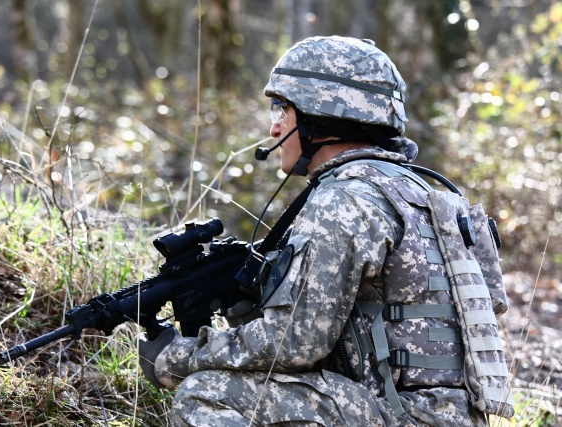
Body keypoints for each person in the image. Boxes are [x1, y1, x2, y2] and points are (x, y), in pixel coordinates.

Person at [138, 36, 512, 426]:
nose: (273, 126)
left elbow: (295, 343)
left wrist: (175, 356)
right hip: (446, 417)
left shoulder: (346, 199)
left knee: (205, 395)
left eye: (282, 107)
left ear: (321, 113)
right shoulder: (417, 191)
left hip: (404, 417)